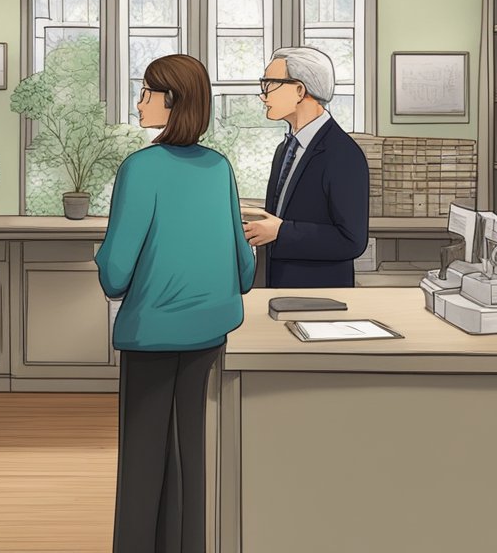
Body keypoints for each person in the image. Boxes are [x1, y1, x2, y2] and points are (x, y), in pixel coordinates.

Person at [95, 54, 255, 553]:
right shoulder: (220, 168)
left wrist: (101, 255)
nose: (139, 101)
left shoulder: (141, 169)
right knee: (191, 461)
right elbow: (245, 273)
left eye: (147, 92)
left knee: (144, 463)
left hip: (153, 335)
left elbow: (115, 277)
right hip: (210, 332)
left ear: (174, 101)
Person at [242, 47, 369, 288]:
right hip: (279, 289)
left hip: (321, 295)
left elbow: (352, 240)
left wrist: (282, 232)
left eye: (269, 84)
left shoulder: (343, 154)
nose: (263, 95)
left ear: (300, 90)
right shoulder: (285, 149)